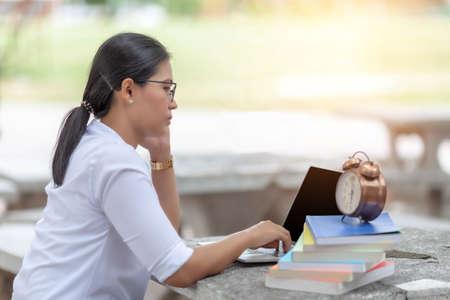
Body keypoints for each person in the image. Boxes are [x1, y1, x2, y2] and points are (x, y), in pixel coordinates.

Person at [12, 32, 291, 300]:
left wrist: (161, 153)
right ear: (129, 89)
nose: (174, 103)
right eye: (166, 88)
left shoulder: (95, 142)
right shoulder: (114, 161)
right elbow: (178, 270)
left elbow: (164, 236)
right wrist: (250, 236)